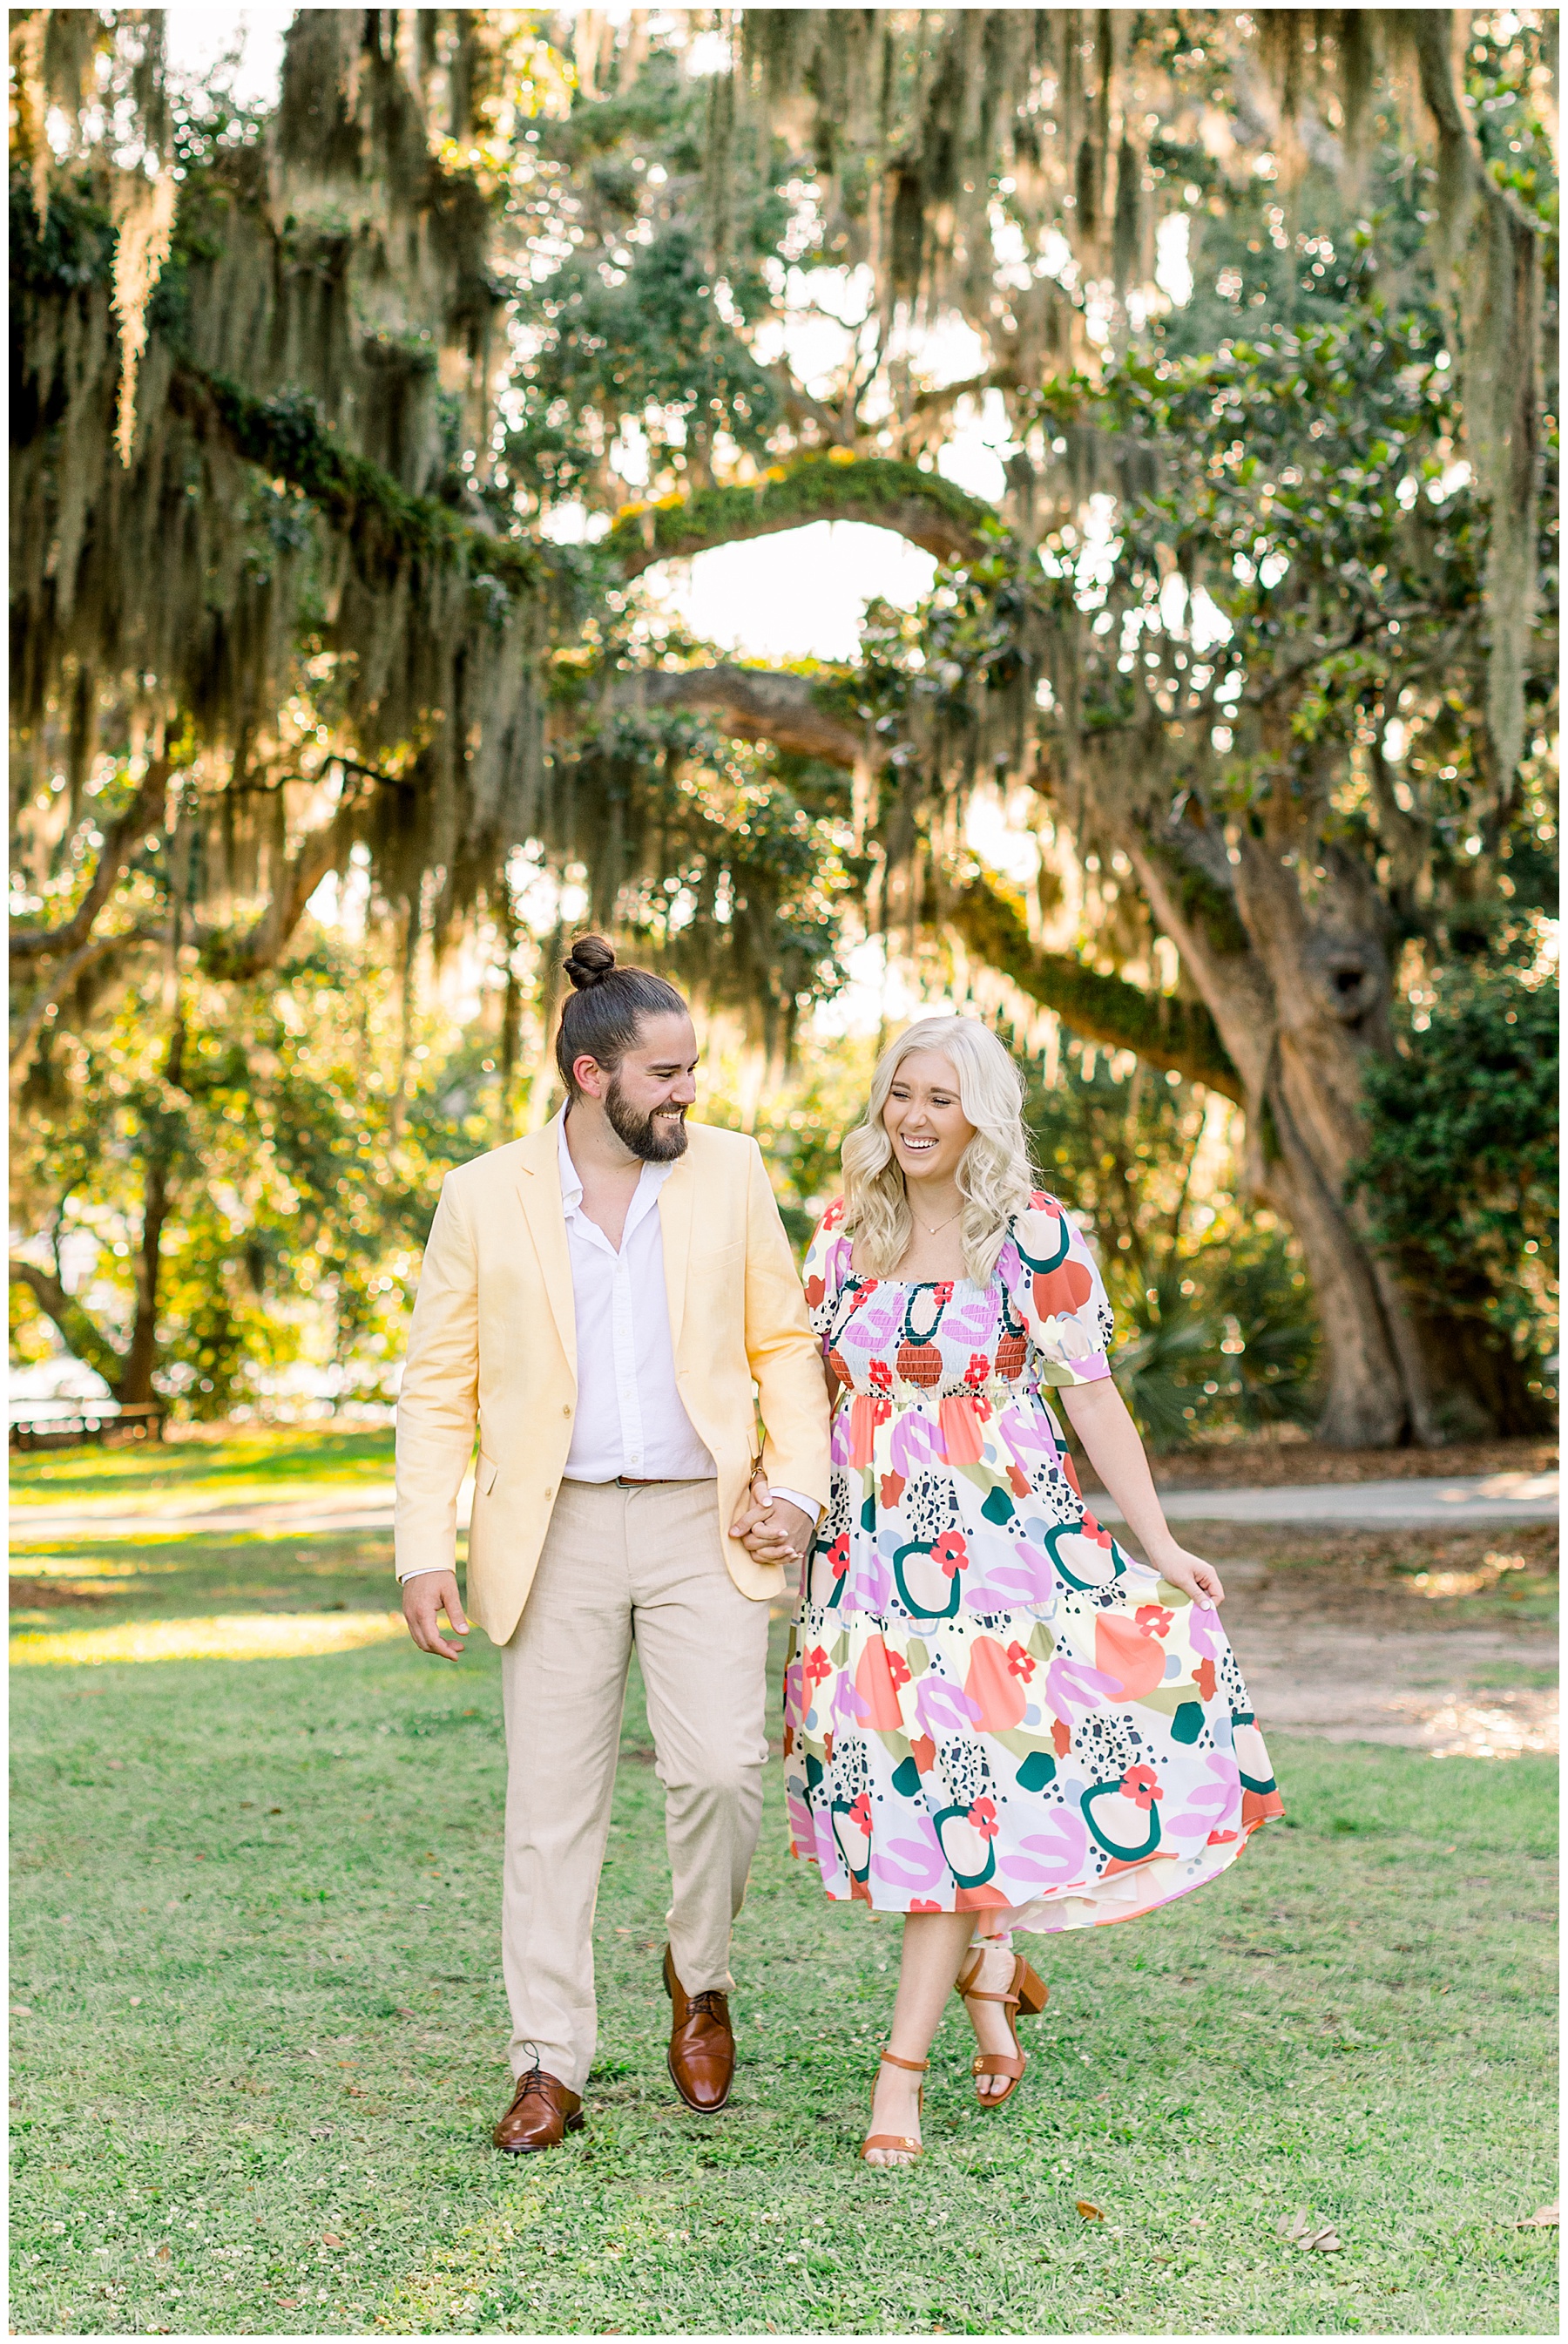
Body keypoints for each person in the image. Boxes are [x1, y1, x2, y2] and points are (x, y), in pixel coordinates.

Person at [781, 1015, 1284, 2166]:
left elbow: (1092, 1395)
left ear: (983, 1117)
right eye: (901, 1093)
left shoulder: (1030, 1231)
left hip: (1001, 1564)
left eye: (942, 1099)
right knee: (920, 1792)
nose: (915, 1118)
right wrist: (790, 1524)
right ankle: (990, 1971)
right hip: (867, 1568)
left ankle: (899, 2076)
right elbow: (808, 1394)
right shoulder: (845, 1231)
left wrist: (1159, 1540)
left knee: (960, 1797)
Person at [395, 936, 830, 2153]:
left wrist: (798, 1492)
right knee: (550, 1809)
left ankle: (701, 1973)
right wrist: (424, 1545)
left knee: (724, 1775)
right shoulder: (482, 1195)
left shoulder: (731, 1171)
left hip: (705, 1517)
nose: (688, 1092)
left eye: (691, 1070)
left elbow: (783, 1346)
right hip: (554, 1528)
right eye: (665, 1075)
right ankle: (548, 2059)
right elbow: (437, 1386)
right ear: (593, 1076)